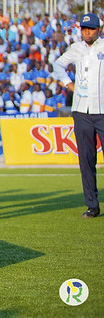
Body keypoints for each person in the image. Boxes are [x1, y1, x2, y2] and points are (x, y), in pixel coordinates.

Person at [52, 12, 104, 218]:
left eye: (91, 28)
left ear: (99, 29)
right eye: (84, 29)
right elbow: (57, 65)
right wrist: (68, 84)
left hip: (102, 109)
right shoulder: (76, 48)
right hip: (82, 110)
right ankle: (92, 205)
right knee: (86, 160)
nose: (87, 32)